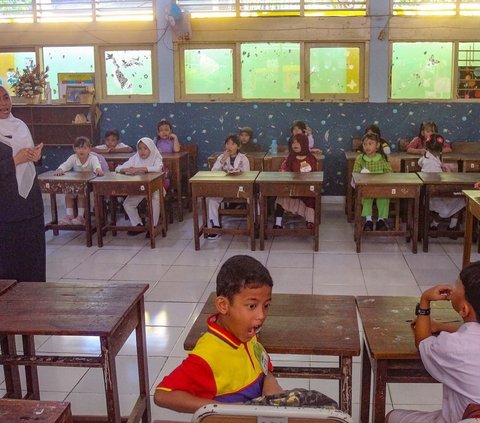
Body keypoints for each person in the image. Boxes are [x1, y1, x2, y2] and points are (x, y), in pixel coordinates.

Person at [154, 255, 284, 413]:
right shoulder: (208, 355)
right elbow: (162, 395)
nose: (261, 315)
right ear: (223, 305)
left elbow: (263, 368)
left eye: (266, 305)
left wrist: (270, 384)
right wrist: (226, 409)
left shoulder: (247, 334)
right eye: (252, 306)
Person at [386, 261, 480, 423]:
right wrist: (443, 327)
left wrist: (425, 301)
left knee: (391, 417)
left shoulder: (452, 346)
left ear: (464, 309)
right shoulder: (462, 341)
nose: (453, 289)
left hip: (458, 419)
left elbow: (422, 341)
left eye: (456, 287)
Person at [0, 85, 45, 282]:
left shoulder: (20, 125)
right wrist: (14, 161)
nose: (4, 104)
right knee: (11, 261)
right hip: (6, 207)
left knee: (33, 257)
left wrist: (36, 157)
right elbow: (16, 160)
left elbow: (29, 158)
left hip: (30, 203)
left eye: (5, 97)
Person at [115, 137, 163, 236]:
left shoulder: (156, 157)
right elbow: (118, 168)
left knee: (155, 199)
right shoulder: (135, 158)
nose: (142, 151)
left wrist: (139, 169)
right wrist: (125, 170)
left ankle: (153, 226)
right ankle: (137, 225)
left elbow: (158, 168)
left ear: (151, 148)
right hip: (140, 189)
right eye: (140, 148)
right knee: (127, 204)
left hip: (155, 188)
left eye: (145, 148)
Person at [207, 134, 250, 240]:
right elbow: (213, 172)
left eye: (233, 144)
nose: (229, 146)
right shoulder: (221, 157)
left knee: (253, 198)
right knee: (212, 199)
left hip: (241, 188)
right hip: (225, 188)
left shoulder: (243, 158)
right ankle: (216, 226)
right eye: (227, 144)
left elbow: (248, 175)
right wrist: (222, 160)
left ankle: (253, 225)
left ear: (238, 146)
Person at [418, 134, 464, 233]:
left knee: (459, 198)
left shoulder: (427, 156)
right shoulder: (432, 162)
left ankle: (438, 224)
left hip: (429, 192)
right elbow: (437, 182)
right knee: (462, 198)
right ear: (441, 149)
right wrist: (447, 173)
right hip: (432, 195)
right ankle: (449, 225)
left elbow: (420, 162)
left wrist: (442, 165)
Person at [54, 136, 104, 225]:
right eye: (78, 148)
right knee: (68, 194)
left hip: (89, 187)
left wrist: (98, 170)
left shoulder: (93, 158)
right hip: (76, 185)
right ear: (74, 149)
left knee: (81, 195)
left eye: (84, 148)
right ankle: (69, 216)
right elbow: (66, 165)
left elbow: (97, 167)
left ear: (89, 149)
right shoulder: (73, 158)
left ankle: (80, 217)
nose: (81, 150)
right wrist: (60, 169)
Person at [274, 133, 318, 230]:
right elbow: (284, 170)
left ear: (304, 143)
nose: (295, 144)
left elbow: (314, 175)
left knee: (311, 199)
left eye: (298, 142)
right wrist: (283, 171)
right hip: (291, 189)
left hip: (306, 190)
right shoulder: (290, 158)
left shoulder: (311, 158)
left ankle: (310, 221)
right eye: (293, 142)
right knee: (280, 197)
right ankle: (277, 223)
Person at [353, 132, 393, 231]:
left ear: (377, 145)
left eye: (370, 144)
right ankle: (368, 220)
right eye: (365, 144)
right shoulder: (360, 158)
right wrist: (361, 173)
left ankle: (381, 220)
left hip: (381, 187)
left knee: (383, 197)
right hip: (366, 187)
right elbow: (355, 173)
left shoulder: (382, 158)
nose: (367, 146)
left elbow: (389, 172)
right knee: (366, 197)